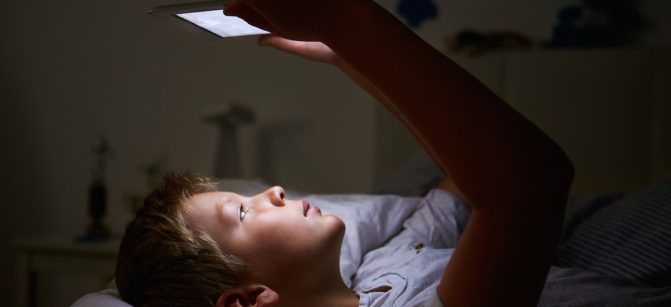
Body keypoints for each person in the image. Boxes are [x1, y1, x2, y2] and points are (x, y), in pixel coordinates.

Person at [115, 0, 574, 306]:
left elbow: (468, 179)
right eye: (241, 211)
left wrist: (346, 56)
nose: (271, 191)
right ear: (249, 299)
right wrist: (347, 18)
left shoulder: (380, 266)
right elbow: (528, 185)